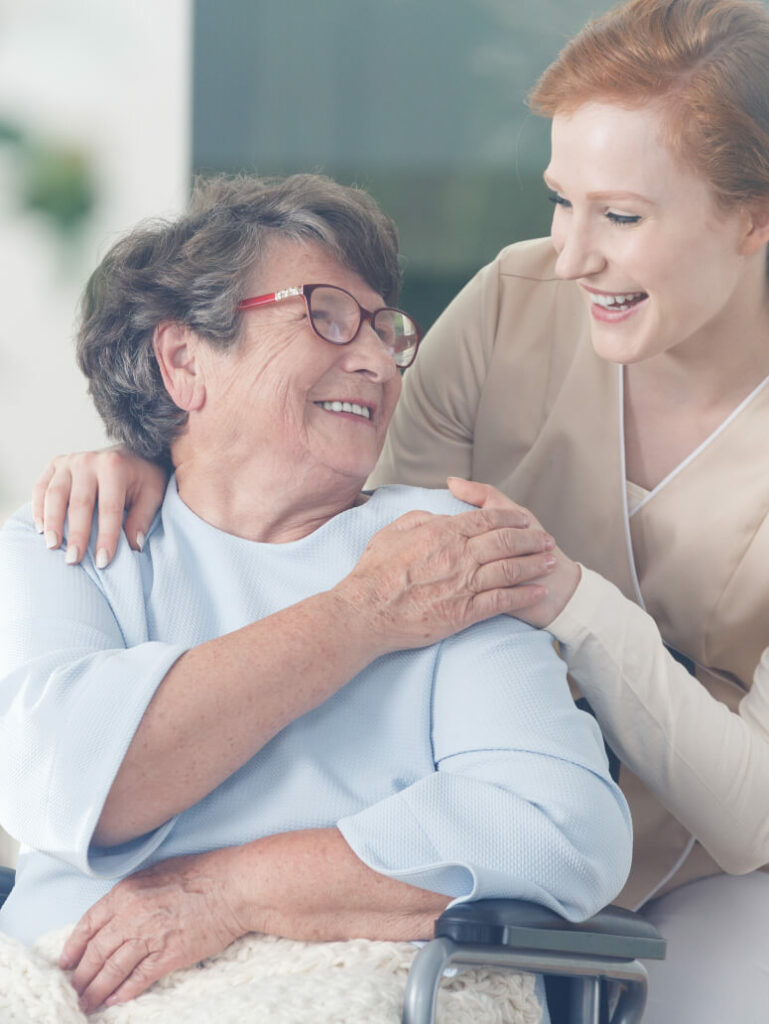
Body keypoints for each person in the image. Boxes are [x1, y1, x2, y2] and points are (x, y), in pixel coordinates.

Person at [37, 1, 769, 1020]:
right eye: (561, 200)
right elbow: (356, 510)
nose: (568, 255)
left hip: (690, 868)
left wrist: (564, 598)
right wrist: (167, 450)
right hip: (435, 841)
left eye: (624, 215)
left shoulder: (490, 597)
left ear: (752, 216)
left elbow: (739, 815)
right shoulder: (520, 299)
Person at [0, 173, 632, 1016]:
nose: (374, 359)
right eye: (326, 314)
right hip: (68, 985)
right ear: (185, 359)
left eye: (383, 328)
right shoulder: (79, 535)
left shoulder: (444, 551)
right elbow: (67, 784)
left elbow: (560, 829)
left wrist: (231, 892)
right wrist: (362, 615)